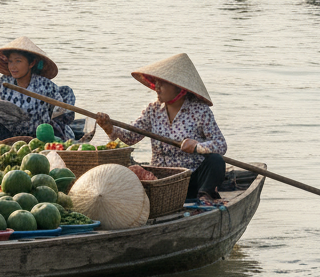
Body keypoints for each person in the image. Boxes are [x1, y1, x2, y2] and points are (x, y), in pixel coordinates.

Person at [94, 53, 228, 206]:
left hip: (190, 179)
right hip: (161, 180)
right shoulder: (153, 109)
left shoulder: (199, 111)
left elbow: (221, 145)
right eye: (156, 82)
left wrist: (198, 147)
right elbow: (130, 138)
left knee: (216, 161)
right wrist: (109, 128)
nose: (156, 87)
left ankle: (205, 197)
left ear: (179, 87)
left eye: (162, 83)